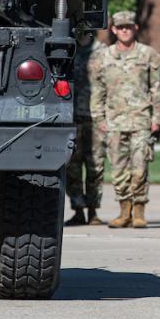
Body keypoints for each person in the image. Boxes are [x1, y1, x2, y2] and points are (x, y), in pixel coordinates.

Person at [89, 10, 160, 229]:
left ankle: (139, 212)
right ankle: (124, 211)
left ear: (135, 28)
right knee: (118, 170)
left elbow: (159, 89)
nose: (125, 30)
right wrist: (99, 119)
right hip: (114, 123)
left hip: (141, 122)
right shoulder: (103, 58)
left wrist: (157, 118)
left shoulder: (149, 55)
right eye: (120, 27)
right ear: (114, 30)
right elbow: (98, 91)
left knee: (140, 168)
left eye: (128, 26)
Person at [66, 31, 105, 226]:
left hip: (96, 118)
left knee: (95, 166)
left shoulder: (103, 52)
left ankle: (93, 210)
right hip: (71, 117)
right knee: (72, 166)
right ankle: (78, 210)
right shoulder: (67, 48)